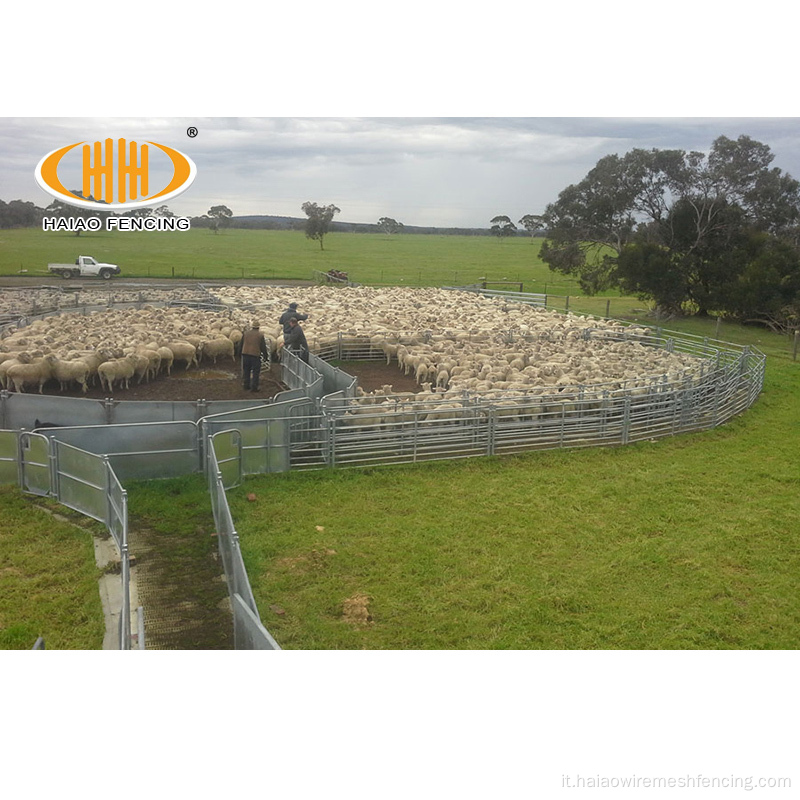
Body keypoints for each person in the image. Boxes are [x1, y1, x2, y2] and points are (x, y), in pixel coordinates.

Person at [238, 321, 269, 391]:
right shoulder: (260, 335)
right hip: (255, 355)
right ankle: (254, 387)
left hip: (245, 354)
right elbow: (263, 347)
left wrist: (239, 354)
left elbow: (241, 344)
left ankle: (246, 385)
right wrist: (265, 356)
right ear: (258, 327)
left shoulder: (246, 333)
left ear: (252, 327)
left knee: (246, 370)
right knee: (255, 372)